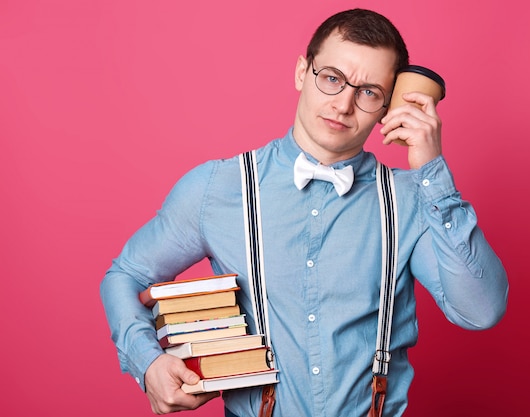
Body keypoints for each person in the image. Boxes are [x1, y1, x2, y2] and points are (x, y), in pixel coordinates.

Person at [100, 8, 508, 417]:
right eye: (332, 78)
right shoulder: (218, 188)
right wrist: (148, 362)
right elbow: (127, 274)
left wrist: (432, 173)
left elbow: (480, 310)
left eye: (368, 92)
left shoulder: (412, 199)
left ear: (388, 106)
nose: (343, 105)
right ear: (302, 72)